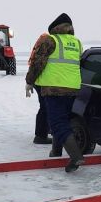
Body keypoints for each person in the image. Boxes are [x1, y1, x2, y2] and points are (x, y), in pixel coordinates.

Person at [25, 13, 84, 172]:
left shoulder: (50, 40)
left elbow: (37, 63)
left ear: (54, 28)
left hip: (54, 89)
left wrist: (29, 81)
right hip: (72, 89)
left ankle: (76, 156)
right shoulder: (77, 42)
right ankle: (56, 152)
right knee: (62, 120)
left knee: (57, 123)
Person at [27, 36, 51, 144]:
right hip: (42, 82)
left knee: (46, 107)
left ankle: (44, 132)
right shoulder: (45, 45)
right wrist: (29, 81)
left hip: (42, 81)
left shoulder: (41, 45)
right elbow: (36, 65)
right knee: (45, 107)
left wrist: (30, 82)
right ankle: (40, 135)